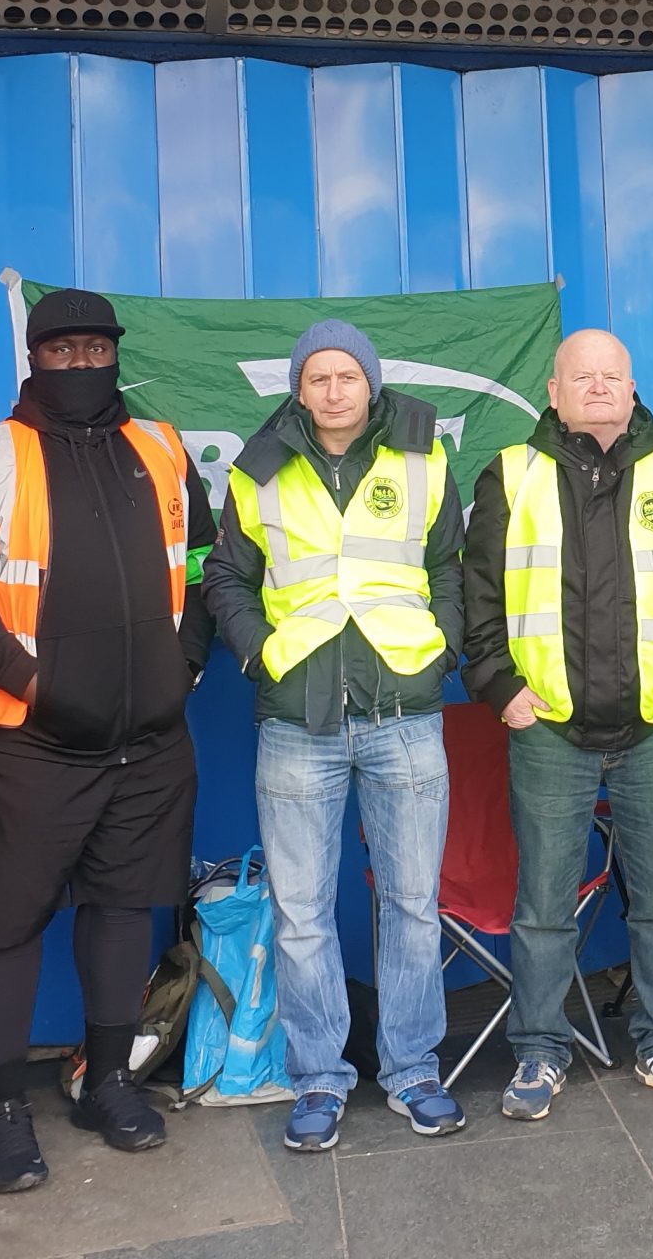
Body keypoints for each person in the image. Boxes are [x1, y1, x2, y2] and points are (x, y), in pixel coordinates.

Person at [0, 289, 215, 1193]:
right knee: (6, 926)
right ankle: (5, 1112)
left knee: (126, 907)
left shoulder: (161, 449)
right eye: (63, 352)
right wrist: (37, 685)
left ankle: (108, 1078)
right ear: (34, 359)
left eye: (97, 350)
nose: (82, 366)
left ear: (116, 355)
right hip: (26, 739)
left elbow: (204, 564)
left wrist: (187, 664)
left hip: (149, 737)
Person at [464, 328, 653, 1121]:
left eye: (610, 377)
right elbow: (477, 594)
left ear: (632, 390)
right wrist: (499, 687)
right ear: (552, 392)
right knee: (545, 905)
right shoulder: (510, 475)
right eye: (580, 378)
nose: (596, 388)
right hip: (548, 728)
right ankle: (539, 1053)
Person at [202, 320, 468, 1153]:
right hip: (298, 720)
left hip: (405, 713)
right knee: (303, 914)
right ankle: (318, 1079)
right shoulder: (258, 470)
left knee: (414, 905)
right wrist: (261, 655)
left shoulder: (424, 455)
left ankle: (414, 1070)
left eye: (346, 375)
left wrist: (444, 652)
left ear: (372, 382)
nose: (332, 390)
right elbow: (226, 577)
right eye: (316, 377)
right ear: (298, 389)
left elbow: (452, 564)